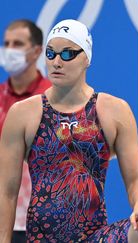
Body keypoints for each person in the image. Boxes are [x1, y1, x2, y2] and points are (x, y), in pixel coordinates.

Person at [0, 19, 138, 242]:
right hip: (41, 239)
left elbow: (135, 179)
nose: (56, 62)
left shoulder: (114, 111)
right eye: (50, 53)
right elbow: (6, 192)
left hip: (95, 237)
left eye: (67, 54)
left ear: (87, 58)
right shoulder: (23, 113)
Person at [0, 19, 51, 243]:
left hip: (42, 220)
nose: (9, 50)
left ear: (37, 51)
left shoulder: (54, 99)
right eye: (6, 43)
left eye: (18, 44)